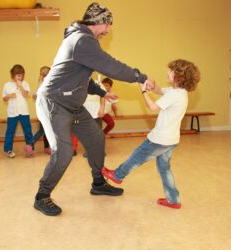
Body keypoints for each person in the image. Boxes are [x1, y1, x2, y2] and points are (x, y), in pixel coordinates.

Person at [34, 2, 155, 216]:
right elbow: (111, 66)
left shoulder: (83, 41)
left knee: (96, 139)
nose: (108, 30)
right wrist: (140, 77)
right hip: (54, 102)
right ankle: (42, 196)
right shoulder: (82, 40)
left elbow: (81, 77)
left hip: (73, 104)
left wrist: (102, 92)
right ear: (97, 22)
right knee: (62, 153)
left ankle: (98, 183)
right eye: (107, 24)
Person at [102, 59, 200, 209]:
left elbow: (152, 107)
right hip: (171, 140)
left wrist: (143, 90)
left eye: (171, 71)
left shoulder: (175, 95)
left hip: (160, 139)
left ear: (179, 76)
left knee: (137, 156)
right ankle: (174, 200)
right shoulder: (179, 92)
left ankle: (118, 175)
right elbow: (160, 91)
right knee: (164, 169)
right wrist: (152, 86)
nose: (168, 72)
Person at [2, 64, 34, 158]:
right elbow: (4, 98)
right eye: (18, 75)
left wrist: (21, 86)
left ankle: (30, 148)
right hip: (12, 113)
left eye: (21, 75)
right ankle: (8, 150)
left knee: (28, 131)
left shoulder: (25, 83)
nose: (20, 77)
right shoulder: (7, 85)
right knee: (10, 131)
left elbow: (25, 95)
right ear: (13, 75)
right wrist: (8, 96)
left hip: (24, 112)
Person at [31, 66, 51, 155]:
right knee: (42, 130)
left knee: (46, 130)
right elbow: (35, 96)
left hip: (49, 111)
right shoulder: (41, 85)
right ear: (41, 76)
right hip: (43, 112)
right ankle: (30, 144)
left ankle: (47, 147)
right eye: (43, 74)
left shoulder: (51, 83)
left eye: (47, 74)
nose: (45, 76)